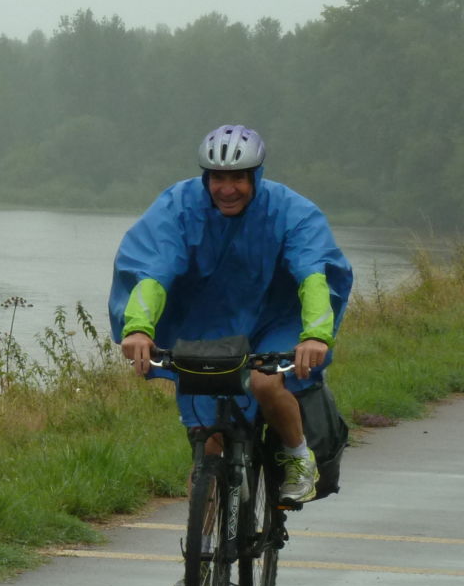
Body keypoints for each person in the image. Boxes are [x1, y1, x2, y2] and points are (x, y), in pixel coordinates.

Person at [109, 124, 353, 505]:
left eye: (238, 178)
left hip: (279, 319)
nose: (227, 189)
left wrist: (315, 335)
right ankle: (200, 557)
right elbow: (154, 270)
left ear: (255, 175)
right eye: (218, 178)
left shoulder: (292, 211)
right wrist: (139, 328)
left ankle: (298, 456)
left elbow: (313, 275)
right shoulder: (178, 206)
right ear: (206, 177)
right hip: (208, 323)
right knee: (208, 445)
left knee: (265, 383)